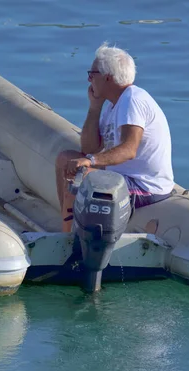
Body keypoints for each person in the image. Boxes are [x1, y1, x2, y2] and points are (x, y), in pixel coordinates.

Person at [55, 42, 174, 232]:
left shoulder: (132, 99)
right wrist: (94, 107)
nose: (88, 79)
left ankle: (68, 237)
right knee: (65, 159)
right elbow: (89, 148)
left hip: (143, 185)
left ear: (107, 78)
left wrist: (90, 161)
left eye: (92, 74)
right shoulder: (112, 105)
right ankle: (67, 228)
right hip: (122, 175)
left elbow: (129, 150)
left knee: (81, 174)